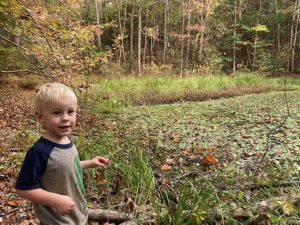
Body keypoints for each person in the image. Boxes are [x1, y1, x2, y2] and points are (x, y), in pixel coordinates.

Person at [15, 83, 110, 225]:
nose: (65, 118)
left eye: (70, 111)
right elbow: (23, 188)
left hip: (77, 215)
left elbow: (65, 167)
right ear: (40, 117)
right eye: (57, 113)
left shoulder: (67, 140)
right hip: (56, 220)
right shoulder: (39, 152)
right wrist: (56, 201)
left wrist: (90, 162)